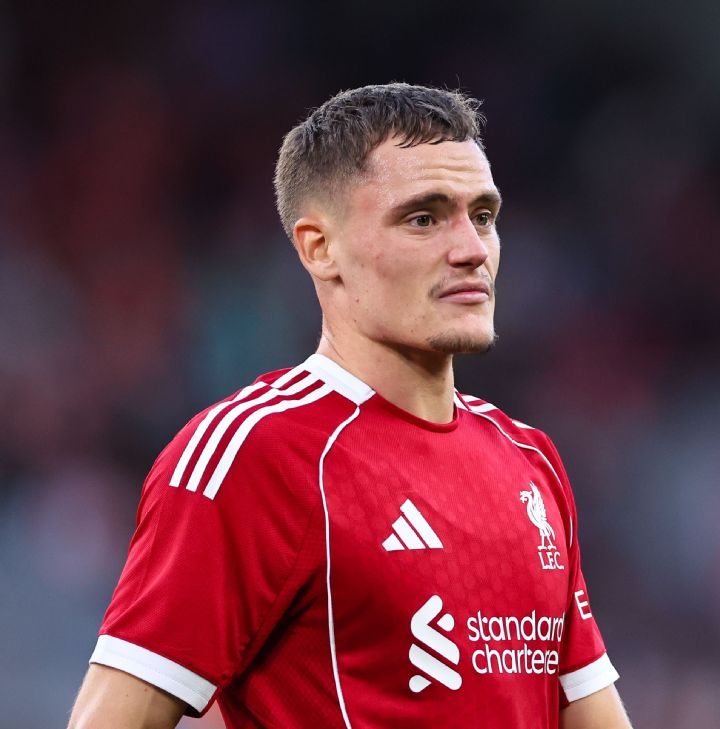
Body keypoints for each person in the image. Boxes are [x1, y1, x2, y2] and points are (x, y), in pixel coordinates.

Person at [67, 83, 632, 729]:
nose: (473, 249)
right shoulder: (257, 454)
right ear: (320, 247)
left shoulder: (531, 460)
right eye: (424, 218)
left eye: (482, 215)